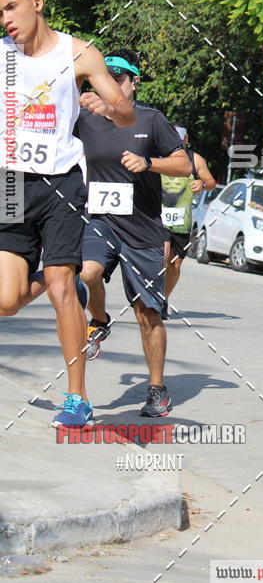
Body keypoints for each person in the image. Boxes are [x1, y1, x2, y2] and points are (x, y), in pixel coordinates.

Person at [0, 0, 135, 427]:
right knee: (7, 299)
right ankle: (65, 276)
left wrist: (108, 106)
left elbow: (124, 113)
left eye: (11, 7)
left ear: (36, 2)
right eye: (0, 13)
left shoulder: (79, 54)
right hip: (12, 183)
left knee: (60, 286)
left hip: (62, 181)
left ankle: (77, 397)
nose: (6, 20)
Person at [77, 49, 191, 417]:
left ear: (134, 82)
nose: (113, 86)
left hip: (142, 229)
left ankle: (157, 389)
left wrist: (148, 163)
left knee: (148, 313)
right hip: (100, 220)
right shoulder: (85, 119)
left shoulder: (152, 119)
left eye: (120, 79)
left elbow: (183, 164)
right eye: (105, 79)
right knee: (88, 273)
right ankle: (100, 320)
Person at [162, 123, 216, 302]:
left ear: (186, 139)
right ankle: (152, 296)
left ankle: (164, 299)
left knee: (174, 264)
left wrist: (202, 184)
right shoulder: (158, 155)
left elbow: (211, 183)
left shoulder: (195, 159)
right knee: (162, 256)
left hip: (182, 220)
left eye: (180, 139)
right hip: (158, 216)